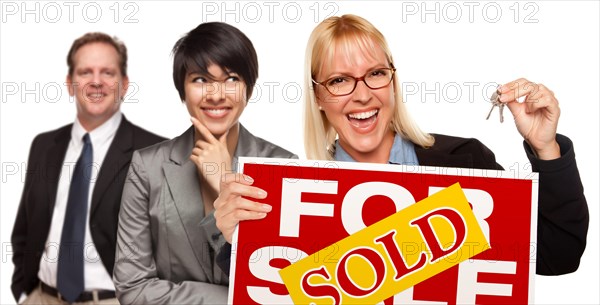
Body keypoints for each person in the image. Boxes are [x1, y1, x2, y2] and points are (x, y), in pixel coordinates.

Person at [213, 14, 588, 276]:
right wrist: (237, 242)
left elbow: (560, 254)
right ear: (318, 98)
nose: (362, 95)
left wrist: (546, 147)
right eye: (340, 81)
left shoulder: (466, 163)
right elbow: (272, 288)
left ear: (393, 82)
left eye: (375, 74)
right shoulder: (288, 199)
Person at [112, 22, 296, 304]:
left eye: (231, 79)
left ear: (249, 86)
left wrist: (227, 178)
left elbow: (285, 287)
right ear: (182, 89)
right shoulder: (147, 167)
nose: (216, 94)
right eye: (200, 80)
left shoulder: (283, 166)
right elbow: (132, 288)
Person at [10, 32, 165, 304]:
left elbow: (171, 248)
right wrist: (22, 290)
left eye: (107, 72)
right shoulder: (44, 145)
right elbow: (24, 227)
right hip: (42, 296)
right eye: (85, 72)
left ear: (124, 84)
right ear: (70, 84)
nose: (96, 81)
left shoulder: (155, 152)